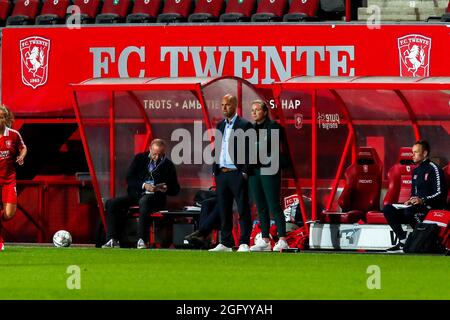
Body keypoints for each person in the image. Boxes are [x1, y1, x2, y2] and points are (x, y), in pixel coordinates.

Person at [102, 138, 180, 249]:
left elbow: (176, 189)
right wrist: (144, 185)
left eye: (160, 155)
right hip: (136, 194)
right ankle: (111, 239)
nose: (157, 157)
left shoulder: (168, 165)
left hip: (155, 198)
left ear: (164, 153)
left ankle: (142, 240)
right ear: (150, 149)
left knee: (145, 201)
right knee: (111, 203)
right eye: (154, 154)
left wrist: (166, 188)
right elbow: (129, 178)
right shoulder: (140, 159)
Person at [383, 140, 447, 252]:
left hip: (431, 207)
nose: (412, 155)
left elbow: (440, 194)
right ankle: (403, 240)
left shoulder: (434, 169)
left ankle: (425, 240)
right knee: (388, 209)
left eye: (416, 152)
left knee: (410, 212)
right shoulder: (416, 171)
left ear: (425, 154)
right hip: (416, 206)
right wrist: (410, 200)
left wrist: (422, 200)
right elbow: (414, 193)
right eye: (412, 152)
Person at [209, 94, 253, 252]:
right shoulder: (220, 125)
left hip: (237, 173)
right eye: (222, 105)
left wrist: (245, 172)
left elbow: (250, 151)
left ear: (234, 105)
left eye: (227, 105)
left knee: (243, 208)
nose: (224, 108)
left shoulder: (245, 125)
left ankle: (244, 242)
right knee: (224, 209)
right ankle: (226, 242)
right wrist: (215, 169)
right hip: (222, 174)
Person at [248, 100, 290, 252]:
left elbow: (265, 147)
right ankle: (265, 240)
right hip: (254, 171)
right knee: (261, 206)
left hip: (269, 169)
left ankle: (283, 239)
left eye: (257, 110)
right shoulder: (250, 129)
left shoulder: (273, 127)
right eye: (252, 110)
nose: (254, 112)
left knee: (274, 204)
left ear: (265, 112)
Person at [0, 105, 27, 251]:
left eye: (2, 117)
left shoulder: (14, 134)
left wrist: (21, 156)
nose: (0, 120)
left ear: (6, 119)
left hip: (9, 179)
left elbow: (23, 148)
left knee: (9, 214)